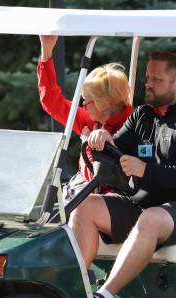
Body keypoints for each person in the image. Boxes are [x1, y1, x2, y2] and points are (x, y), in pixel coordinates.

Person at [70, 51, 176, 298]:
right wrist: (103, 140)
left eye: (157, 79)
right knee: (84, 207)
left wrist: (146, 171)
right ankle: (74, 292)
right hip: (147, 204)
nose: (148, 84)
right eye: (147, 78)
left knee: (151, 219)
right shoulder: (143, 115)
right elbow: (114, 151)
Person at [37, 35, 133, 196]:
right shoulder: (91, 120)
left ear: (104, 102)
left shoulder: (135, 126)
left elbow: (104, 180)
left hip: (116, 204)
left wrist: (87, 144)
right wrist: (46, 51)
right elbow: (52, 101)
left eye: (87, 101)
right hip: (89, 198)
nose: (83, 106)